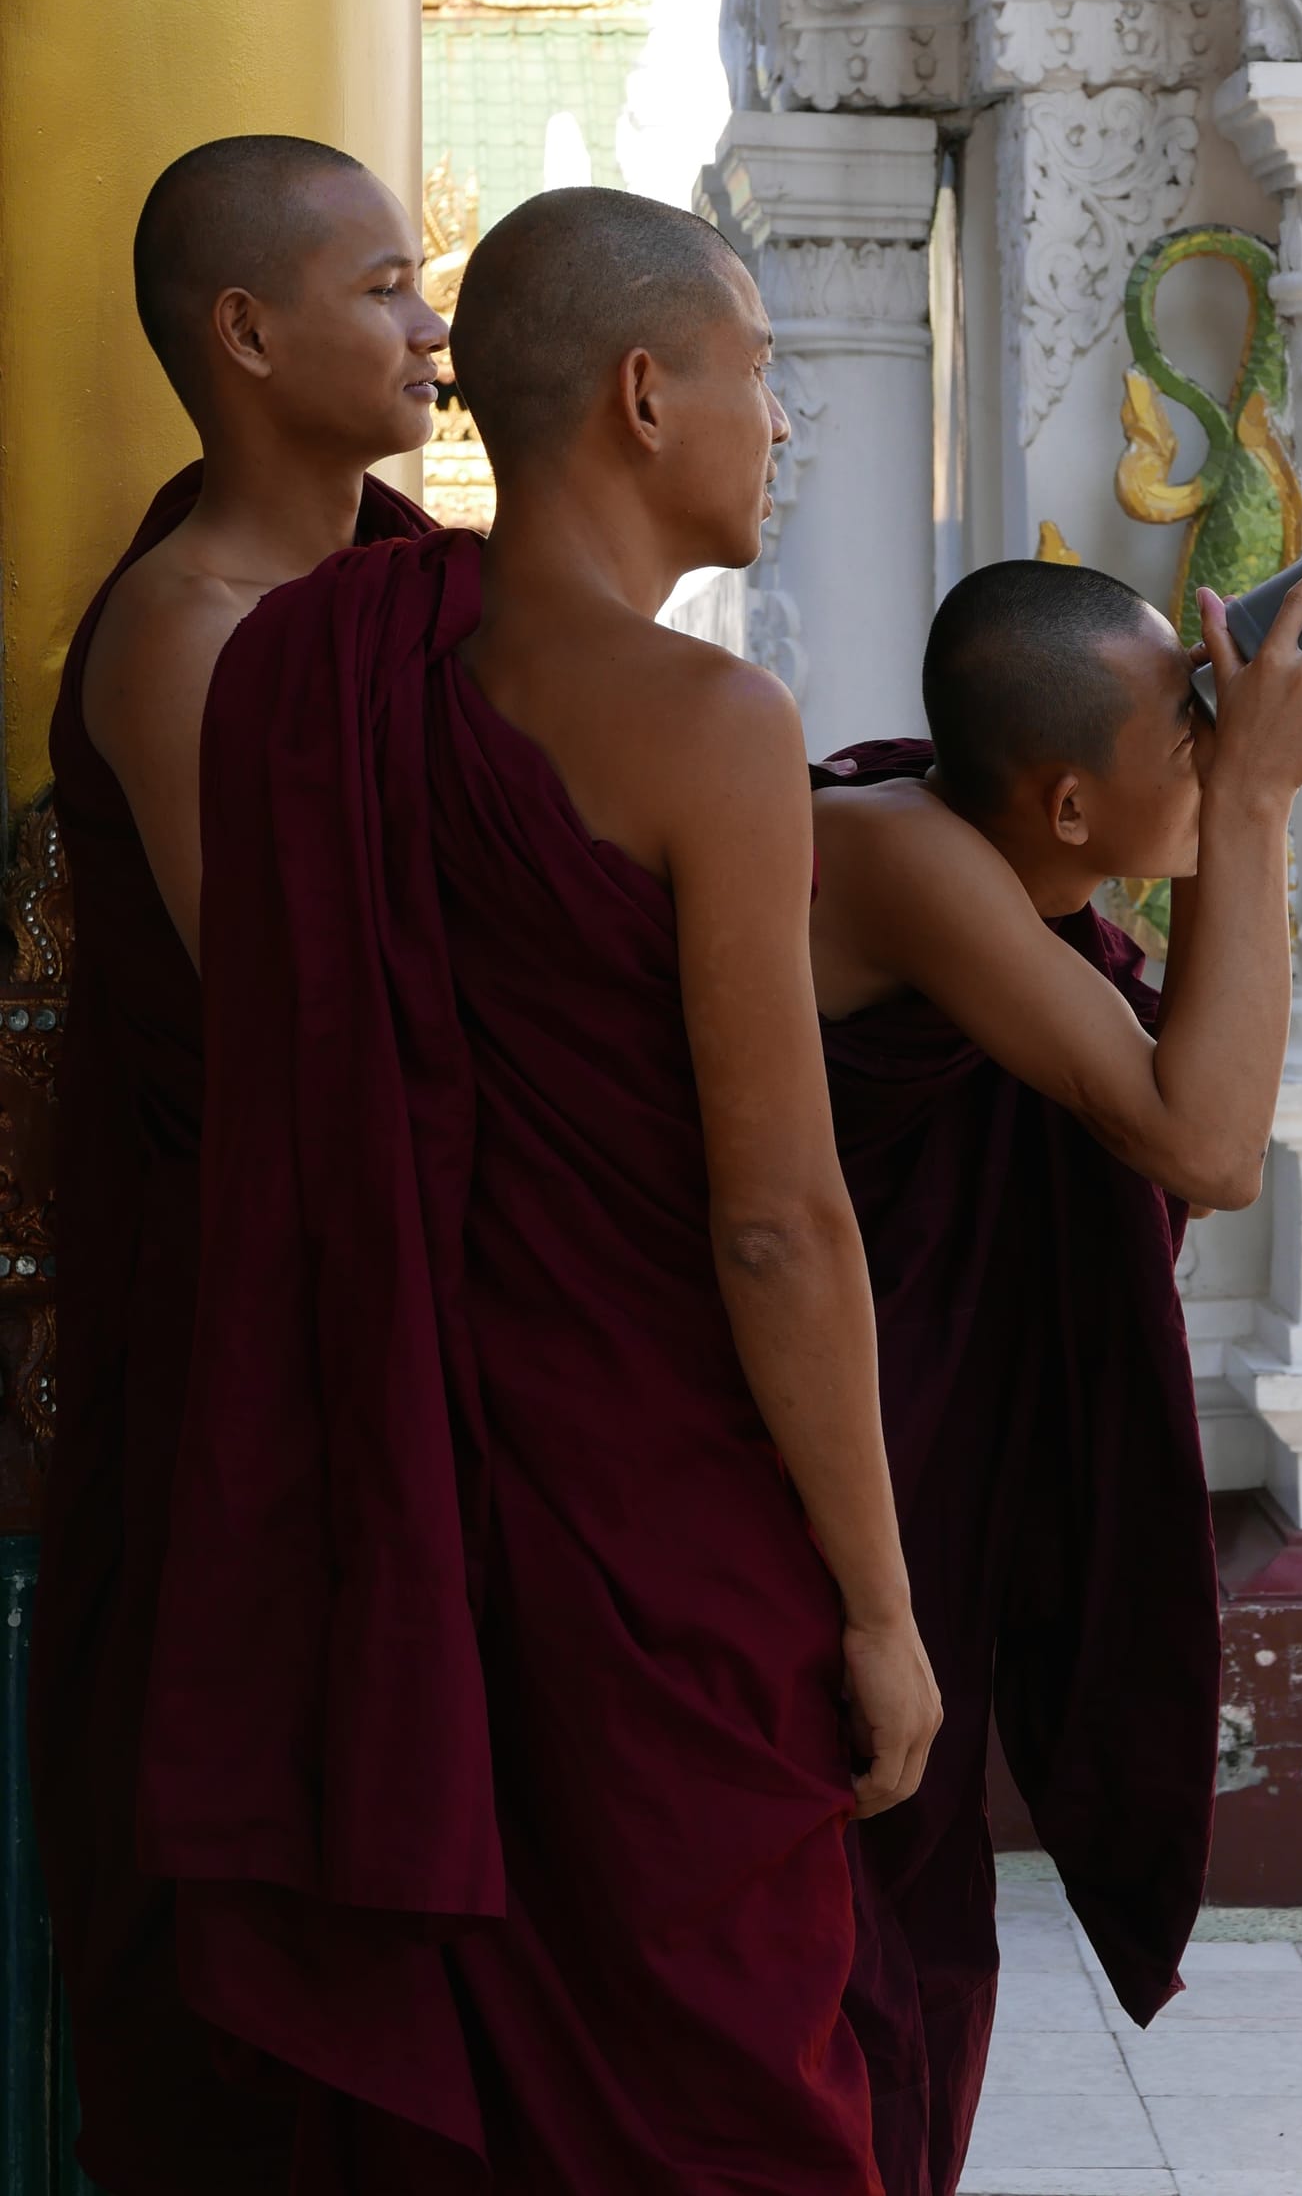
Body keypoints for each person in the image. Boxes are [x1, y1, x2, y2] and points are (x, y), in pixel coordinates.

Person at [138, 187, 941, 2192]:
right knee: (722, 2105)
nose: (783, 428)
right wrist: (877, 1604)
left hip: (387, 1524)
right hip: (658, 1557)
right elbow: (777, 1218)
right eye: (762, 379)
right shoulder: (710, 729)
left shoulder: (306, 677)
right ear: (648, 393)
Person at [808, 551, 1302, 2196]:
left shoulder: (1014, 872)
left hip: (909, 1466)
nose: (1216, 753)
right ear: (1067, 806)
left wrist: (1233, 805)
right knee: (827, 1965)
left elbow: (1206, 1128)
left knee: (910, 1939)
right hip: (782, 1489)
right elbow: (1206, 1144)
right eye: (1186, 737)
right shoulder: (902, 854)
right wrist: (1260, 815)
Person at [29, 134, 445, 2195]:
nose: (426, 326)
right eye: (383, 287)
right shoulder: (185, 630)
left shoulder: (407, 570)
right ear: (248, 333)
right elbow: (294, 1021)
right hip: (253, 1309)